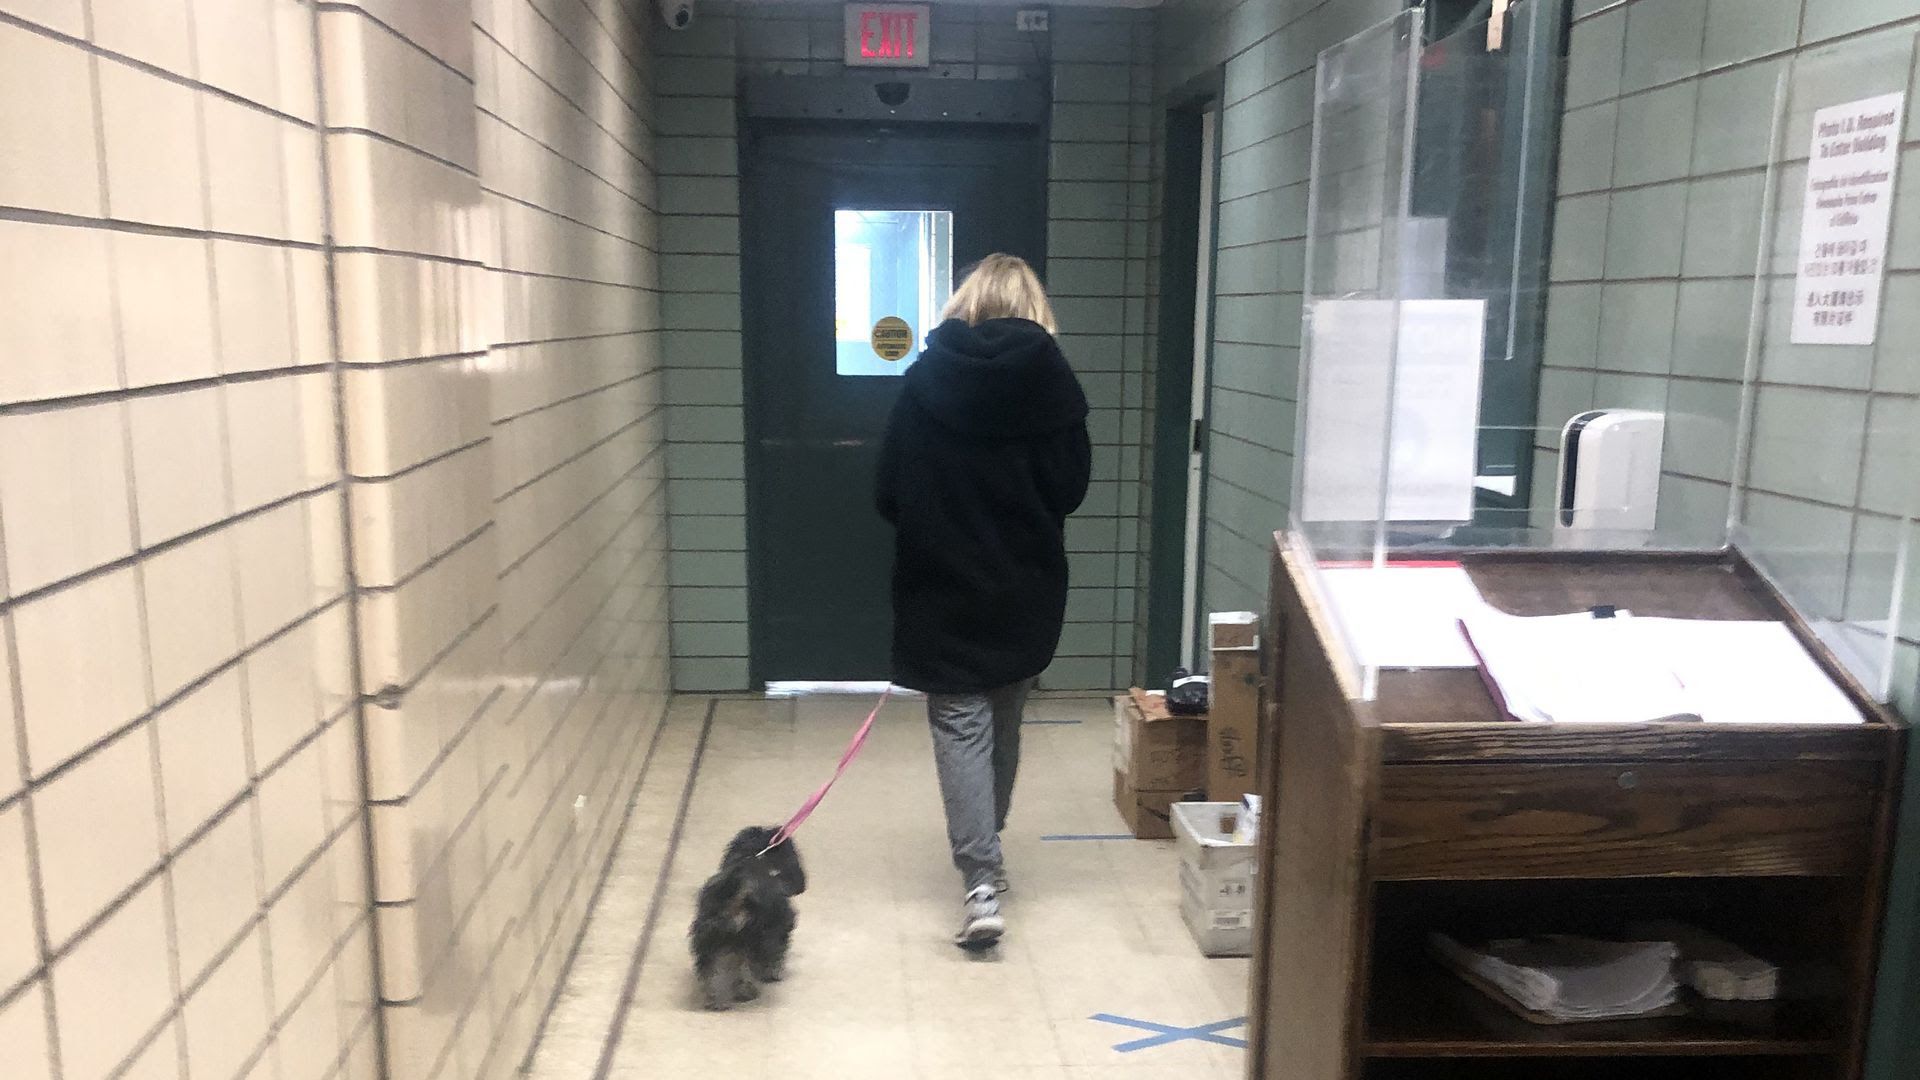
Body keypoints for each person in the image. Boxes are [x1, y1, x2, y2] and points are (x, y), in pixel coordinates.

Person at [874, 254, 1092, 948]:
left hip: (941, 586)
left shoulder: (924, 381)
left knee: (959, 727)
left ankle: (980, 880)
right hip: (1026, 586)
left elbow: (887, 490)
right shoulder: (1055, 385)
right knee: (1004, 719)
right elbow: (1071, 489)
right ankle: (986, 853)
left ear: (965, 302)